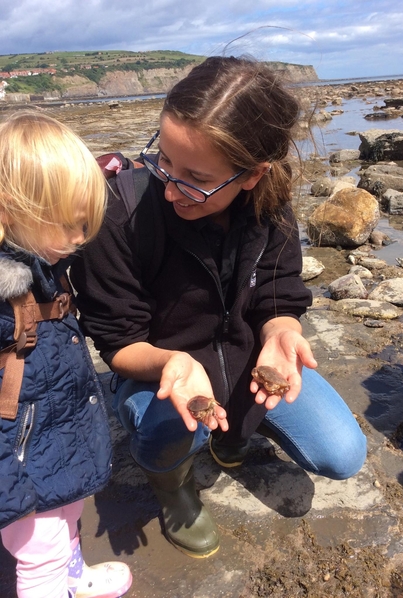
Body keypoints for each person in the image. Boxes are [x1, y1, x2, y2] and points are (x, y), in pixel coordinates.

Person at [71, 56, 367, 560]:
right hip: (158, 373)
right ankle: (171, 484)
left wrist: (280, 331)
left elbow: (279, 287)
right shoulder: (117, 213)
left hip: (248, 362)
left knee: (343, 453)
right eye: (163, 158)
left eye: (194, 176)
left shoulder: (268, 204)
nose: (169, 187)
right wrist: (172, 362)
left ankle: (236, 435)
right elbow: (117, 341)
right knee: (170, 430)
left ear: (252, 175)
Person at [0, 112, 133, 598]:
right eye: (70, 224)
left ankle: (74, 580)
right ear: (11, 209)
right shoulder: (7, 290)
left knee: (68, 513)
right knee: (41, 556)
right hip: (20, 455)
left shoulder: (42, 262)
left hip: (54, 441)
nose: (82, 238)